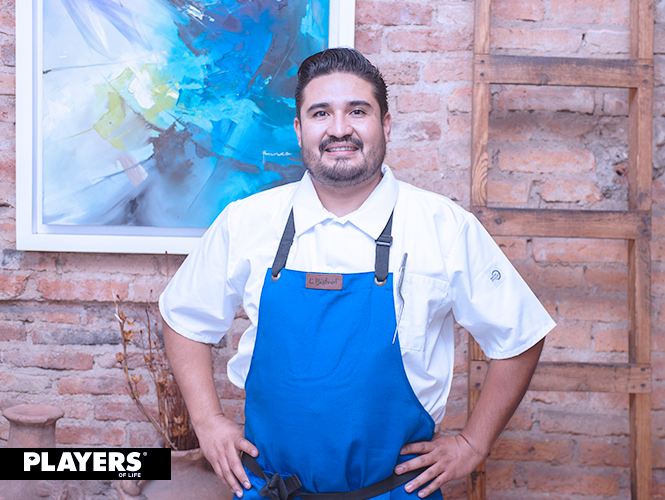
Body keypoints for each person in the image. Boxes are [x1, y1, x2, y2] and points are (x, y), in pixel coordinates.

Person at [160, 47, 555, 500]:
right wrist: (207, 421)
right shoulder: (246, 221)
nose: (339, 129)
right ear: (299, 129)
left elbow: (520, 334)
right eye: (320, 113)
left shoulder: (444, 227)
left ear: (385, 124)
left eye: (357, 111)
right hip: (268, 490)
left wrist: (473, 444)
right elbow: (184, 317)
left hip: (395, 492)